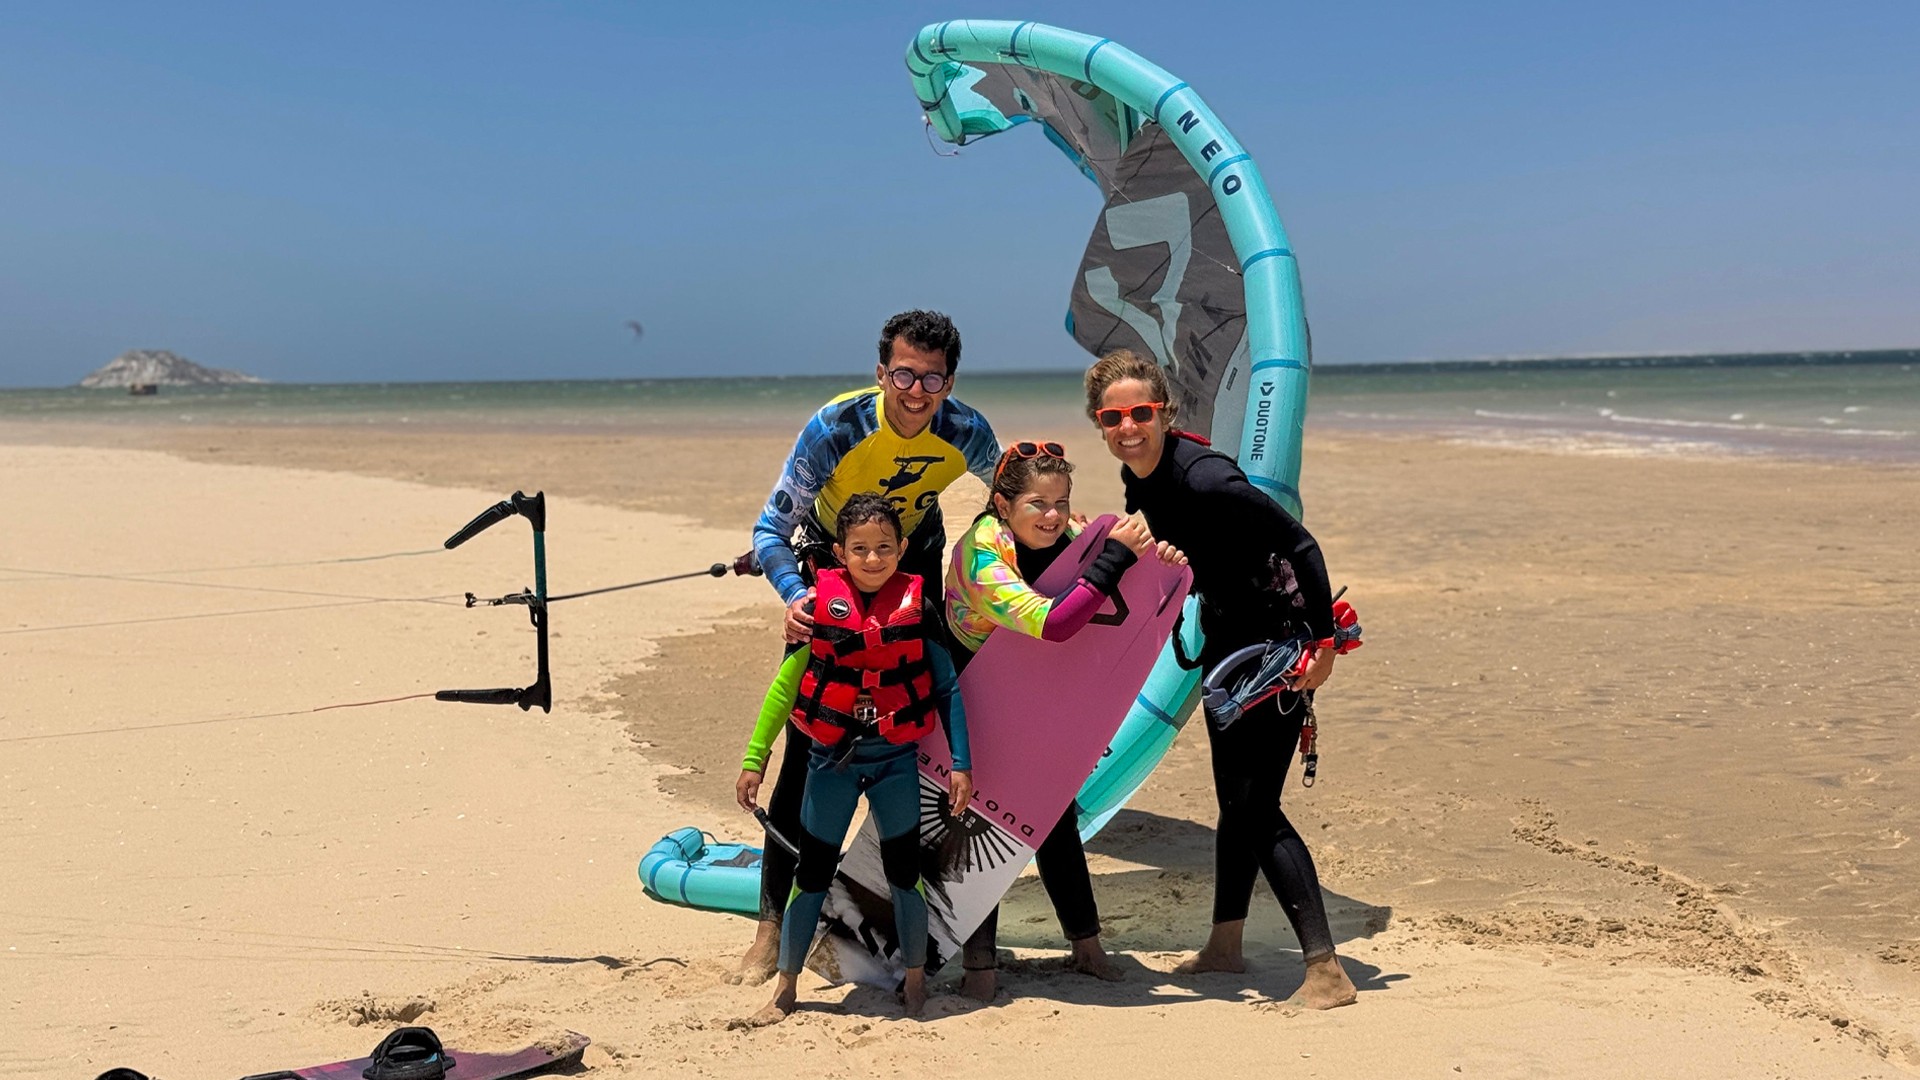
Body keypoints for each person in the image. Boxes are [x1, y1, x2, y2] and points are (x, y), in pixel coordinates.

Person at [1084, 349, 1359, 1010]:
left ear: (1164, 412)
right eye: (1113, 416)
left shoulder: (1205, 479)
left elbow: (1301, 546)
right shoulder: (1143, 478)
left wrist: (1320, 645)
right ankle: (1226, 946)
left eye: (1140, 413)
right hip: (1229, 642)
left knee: (1255, 807)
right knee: (1236, 801)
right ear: (1100, 423)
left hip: (1276, 646)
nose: (1128, 427)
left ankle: (1326, 971)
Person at [734, 310, 1001, 983]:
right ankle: (771, 926)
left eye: (932, 378)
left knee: (930, 704)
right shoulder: (837, 428)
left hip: (914, 550)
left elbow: (1019, 497)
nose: (917, 391)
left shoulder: (965, 429)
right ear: (882, 371)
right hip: (830, 555)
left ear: (949, 381)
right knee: (810, 737)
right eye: (904, 374)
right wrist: (796, 596)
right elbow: (771, 529)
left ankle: (958, 929)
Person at [943, 440, 1185, 1000]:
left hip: (1031, 695)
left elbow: (1120, 573)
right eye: (1036, 503)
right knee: (979, 822)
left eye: (1060, 501)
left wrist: (1159, 557)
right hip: (971, 696)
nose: (1052, 516)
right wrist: (1117, 556)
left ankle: (1087, 946)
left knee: (1053, 818)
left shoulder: (1062, 533)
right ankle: (979, 968)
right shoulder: (982, 554)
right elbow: (1054, 622)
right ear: (1002, 506)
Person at [737, 494, 974, 1025]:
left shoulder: (921, 610)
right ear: (839, 552)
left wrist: (961, 761)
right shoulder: (818, 609)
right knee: (813, 872)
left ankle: (915, 985)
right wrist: (756, 758)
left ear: (903, 548)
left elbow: (948, 689)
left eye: (884, 548)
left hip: (894, 761)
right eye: (860, 549)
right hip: (831, 763)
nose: (873, 559)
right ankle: (785, 989)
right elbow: (784, 689)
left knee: (904, 875)